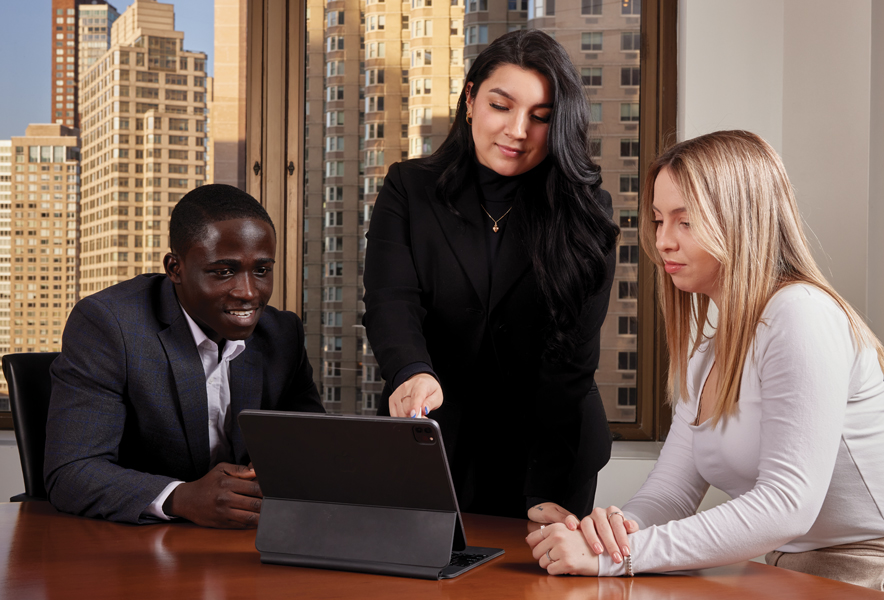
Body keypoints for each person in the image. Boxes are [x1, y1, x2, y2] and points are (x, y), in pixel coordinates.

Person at [527, 130, 884, 590]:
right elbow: (671, 493)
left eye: (685, 221)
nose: (663, 242)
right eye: (658, 220)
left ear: (742, 220)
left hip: (864, 573)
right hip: (782, 570)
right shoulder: (709, 350)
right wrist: (602, 539)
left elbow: (788, 503)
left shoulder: (801, 314)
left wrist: (622, 557)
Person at [363, 30, 618, 521]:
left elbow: (571, 358)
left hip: (551, 445)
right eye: (502, 105)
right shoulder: (408, 189)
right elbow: (392, 300)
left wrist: (545, 489)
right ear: (470, 99)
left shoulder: (586, 211)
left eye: (541, 117)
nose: (518, 130)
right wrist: (411, 370)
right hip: (431, 434)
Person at [44, 184, 324, 528]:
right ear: (175, 268)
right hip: (132, 548)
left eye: (262, 270)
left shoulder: (282, 335)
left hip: (245, 543)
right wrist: (182, 497)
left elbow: (314, 452)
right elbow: (72, 471)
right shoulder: (109, 325)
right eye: (224, 271)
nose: (248, 292)